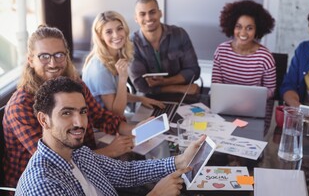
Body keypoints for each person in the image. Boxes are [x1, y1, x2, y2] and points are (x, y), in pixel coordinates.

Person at [15, 76, 205, 195]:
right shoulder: (42, 185)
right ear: (44, 120)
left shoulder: (78, 153)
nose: (80, 122)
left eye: (82, 112)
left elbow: (126, 173)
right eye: (66, 113)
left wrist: (180, 161)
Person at [2, 25, 137, 190]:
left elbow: (100, 116)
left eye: (59, 55)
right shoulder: (20, 107)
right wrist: (110, 151)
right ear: (30, 60)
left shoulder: (74, 85)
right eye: (44, 56)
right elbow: (56, 160)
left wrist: (133, 129)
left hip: (86, 168)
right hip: (49, 184)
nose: (53, 63)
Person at [82, 10, 164, 116]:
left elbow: (116, 94)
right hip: (101, 128)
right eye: (109, 32)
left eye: (119, 28)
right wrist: (122, 78)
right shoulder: (100, 69)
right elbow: (116, 113)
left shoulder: (113, 56)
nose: (116, 35)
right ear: (100, 35)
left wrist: (141, 99)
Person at [129, 0, 201, 95]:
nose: (148, 18)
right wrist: (180, 88)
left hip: (183, 97)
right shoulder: (131, 44)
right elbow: (141, 86)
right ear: (136, 18)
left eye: (152, 12)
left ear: (160, 13)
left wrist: (166, 82)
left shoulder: (179, 34)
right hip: (149, 99)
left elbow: (193, 71)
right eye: (142, 14)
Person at [211, 0, 276, 99]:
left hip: (253, 107)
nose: (243, 33)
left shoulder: (265, 57)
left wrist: (248, 100)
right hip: (225, 105)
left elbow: (271, 90)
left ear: (257, 30)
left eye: (249, 28)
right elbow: (216, 85)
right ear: (232, 27)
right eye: (238, 27)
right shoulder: (221, 51)